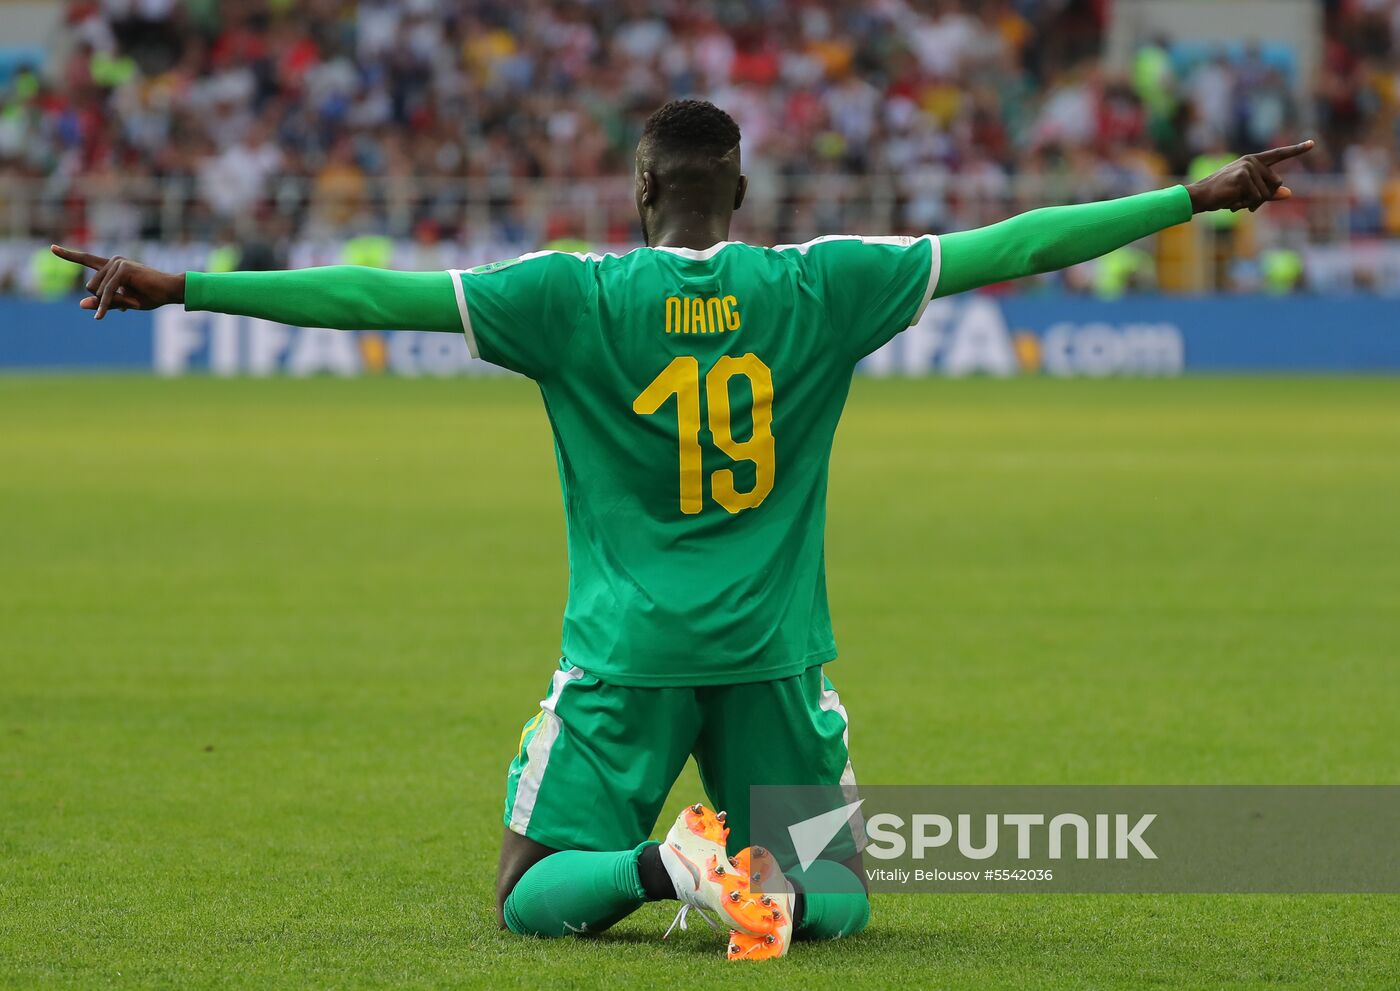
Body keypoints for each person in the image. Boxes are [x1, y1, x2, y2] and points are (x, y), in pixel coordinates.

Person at [51, 99, 1313, 962]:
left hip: (625, 656)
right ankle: (745, 881)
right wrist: (1192, 197)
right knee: (843, 893)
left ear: (641, 188)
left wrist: (185, 282)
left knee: (526, 891)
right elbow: (1013, 244)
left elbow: (371, 294)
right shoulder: (822, 284)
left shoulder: (567, 296)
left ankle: (663, 872)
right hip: (771, 650)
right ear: (741, 190)